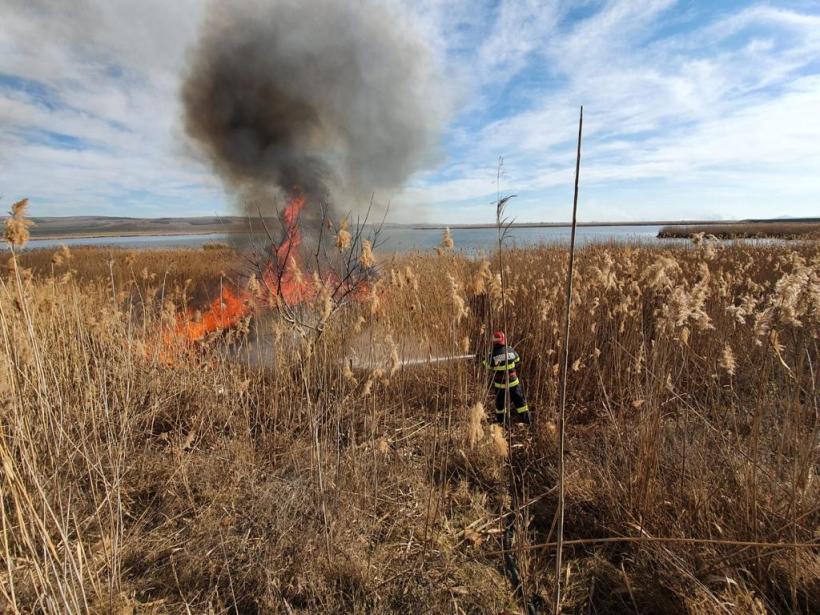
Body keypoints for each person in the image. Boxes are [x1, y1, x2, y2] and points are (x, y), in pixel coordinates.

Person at [483, 331, 531, 425]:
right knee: (520, 402)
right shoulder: (510, 349)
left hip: (500, 385)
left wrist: (482, 358)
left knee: (500, 404)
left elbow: (487, 365)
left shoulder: (492, 354)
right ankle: (527, 421)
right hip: (514, 382)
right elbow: (517, 360)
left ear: (494, 342)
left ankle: (502, 423)